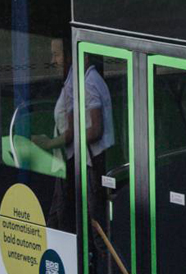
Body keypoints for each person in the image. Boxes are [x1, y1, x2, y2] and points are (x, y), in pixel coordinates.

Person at [32, 39, 115, 231]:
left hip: (88, 159)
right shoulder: (77, 80)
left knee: (92, 215)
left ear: (77, 56)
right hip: (74, 158)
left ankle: (99, 257)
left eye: (57, 54)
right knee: (67, 210)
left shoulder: (88, 84)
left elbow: (93, 130)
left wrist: (50, 143)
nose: (53, 60)